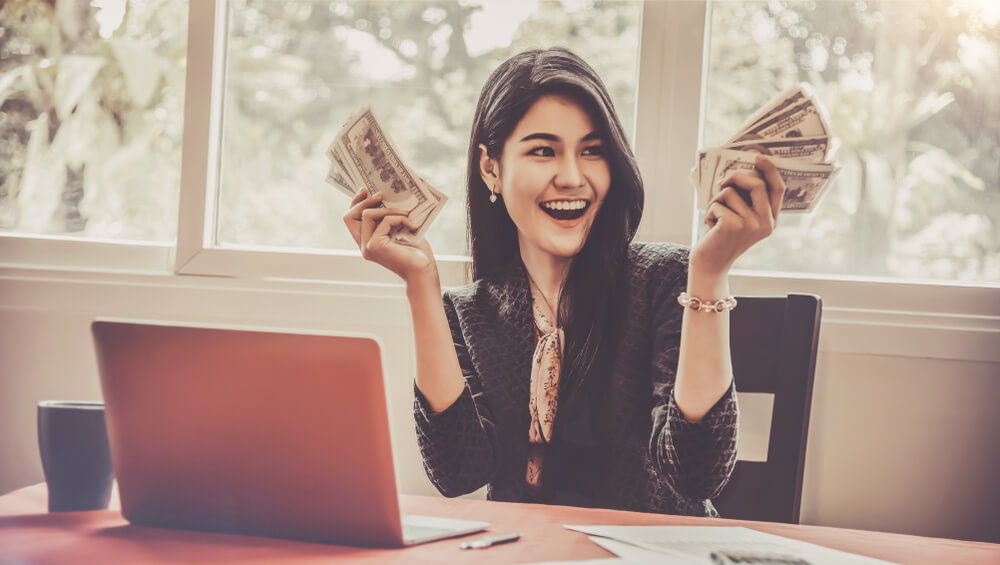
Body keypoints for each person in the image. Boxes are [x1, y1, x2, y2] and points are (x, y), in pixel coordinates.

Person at [344, 48, 785, 517]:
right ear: (491, 168)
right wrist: (419, 285)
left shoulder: (669, 279)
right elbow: (457, 474)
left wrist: (711, 274)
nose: (573, 177)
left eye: (592, 151)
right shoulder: (466, 311)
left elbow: (697, 474)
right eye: (542, 151)